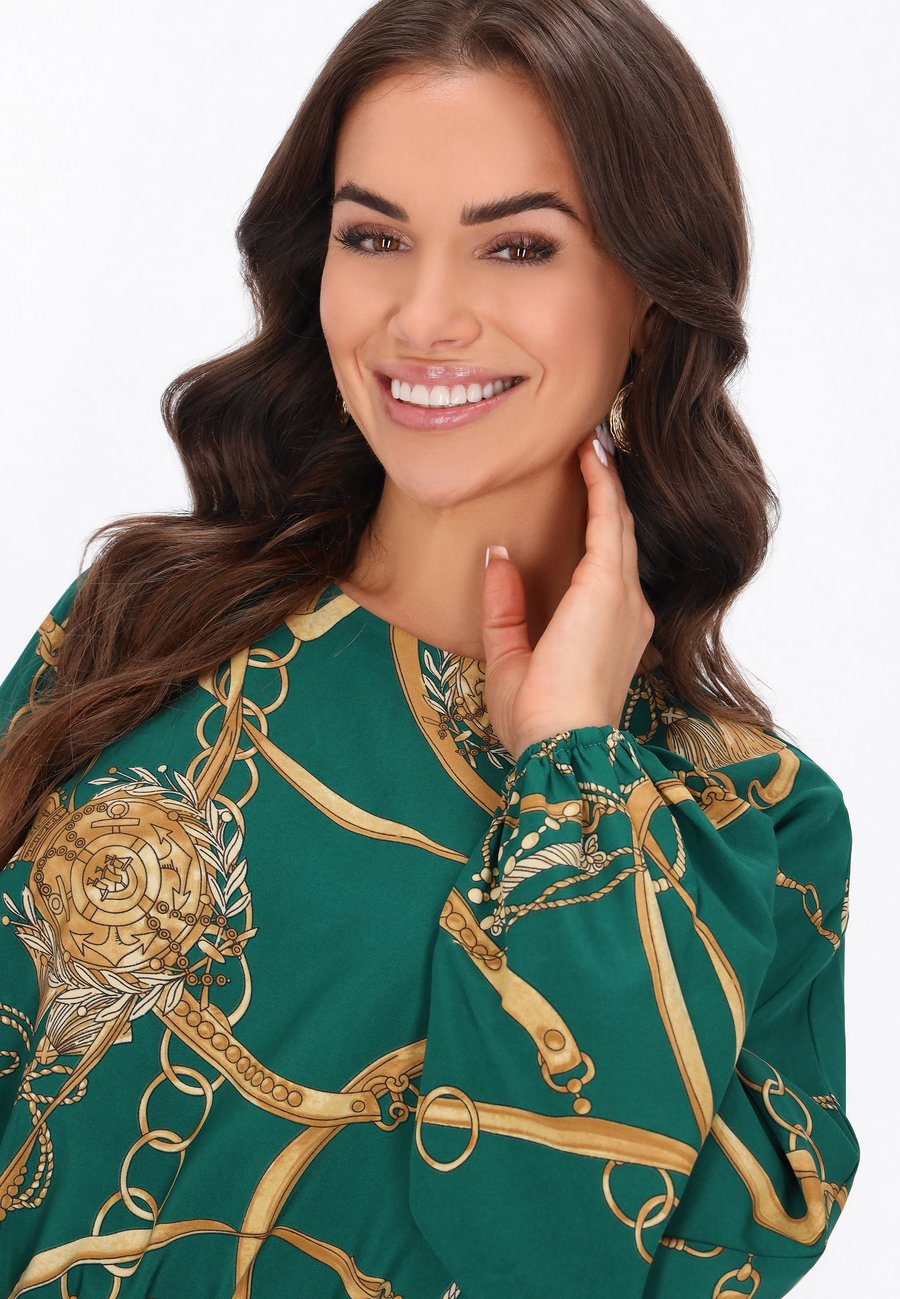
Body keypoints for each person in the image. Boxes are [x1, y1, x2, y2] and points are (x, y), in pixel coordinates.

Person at [0, 1, 860, 1295]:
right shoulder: (145, 620)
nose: (425, 315)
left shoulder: (745, 822)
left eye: (518, 246)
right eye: (375, 237)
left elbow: (571, 1257)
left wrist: (571, 764)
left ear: (649, 295)